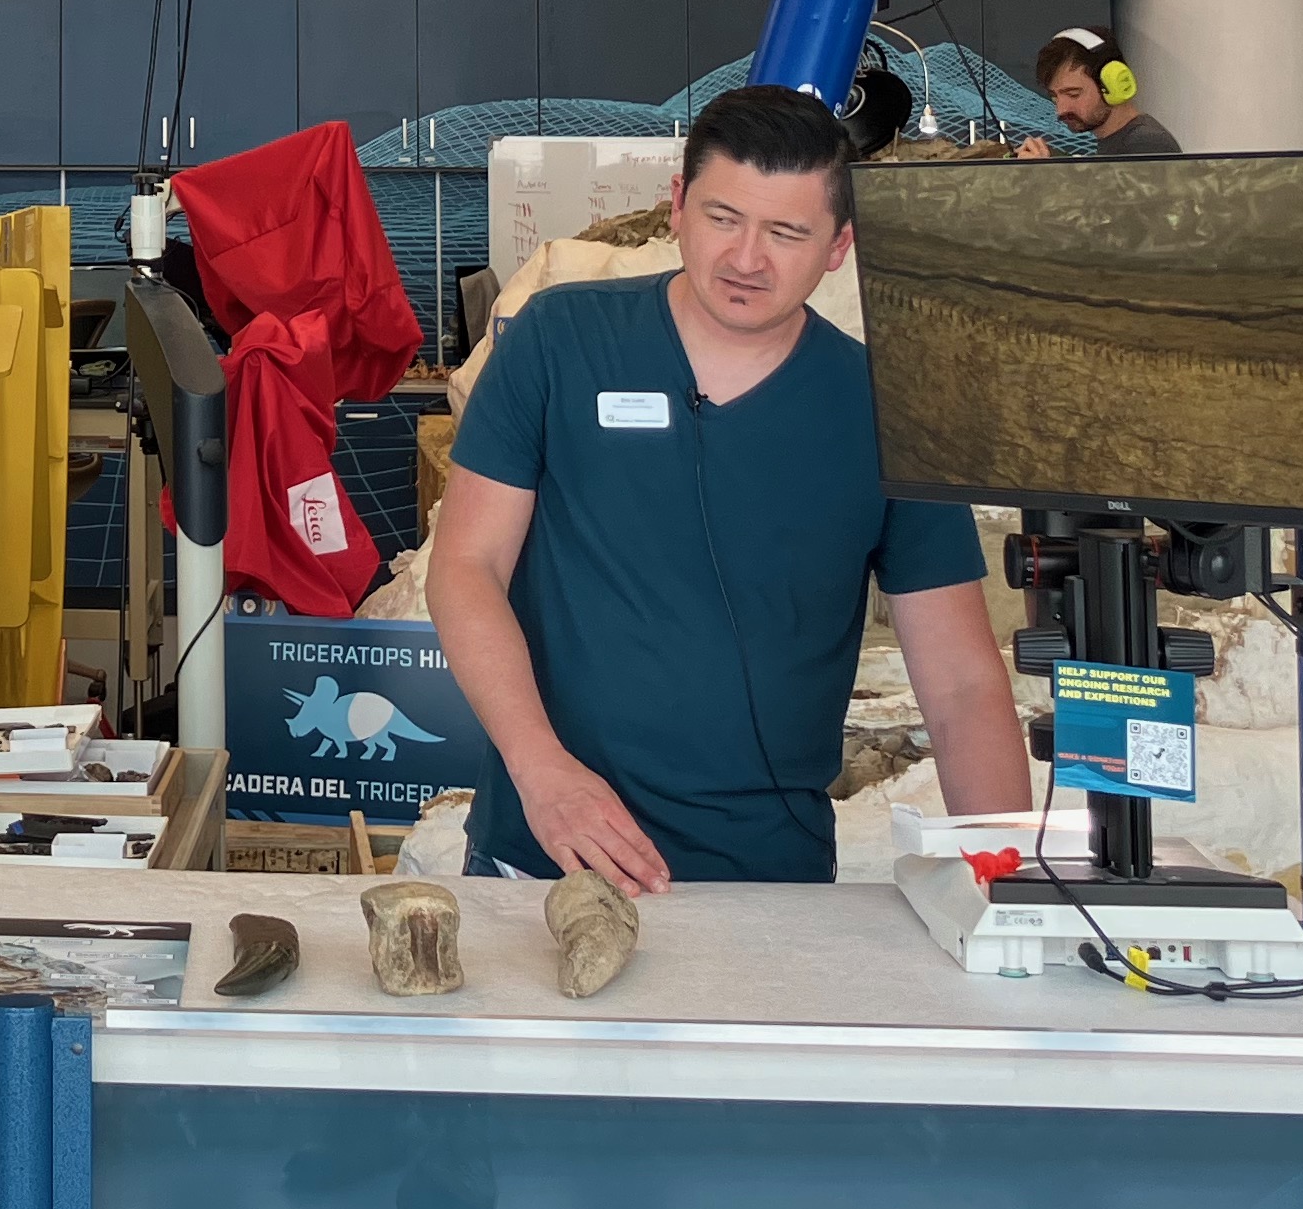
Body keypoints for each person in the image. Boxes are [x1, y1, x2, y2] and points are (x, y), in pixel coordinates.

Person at [426, 86, 1032, 891]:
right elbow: (467, 567)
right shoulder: (560, 338)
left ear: (839, 246)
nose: (747, 259)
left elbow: (960, 686)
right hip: (545, 856)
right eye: (723, 218)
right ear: (678, 205)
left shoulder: (890, 408)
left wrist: (1007, 890)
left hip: (767, 883)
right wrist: (541, 770)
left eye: (786, 233)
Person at [1013, 25, 1180, 159]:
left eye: (1073, 94)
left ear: (1112, 84)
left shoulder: (1147, 145)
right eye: (1055, 97)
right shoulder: (1116, 143)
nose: (1061, 110)